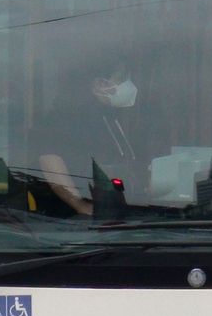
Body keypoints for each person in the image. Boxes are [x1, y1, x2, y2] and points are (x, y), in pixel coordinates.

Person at [34, 66, 141, 217]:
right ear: (99, 85)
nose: (127, 84)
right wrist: (80, 205)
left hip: (117, 215)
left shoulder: (111, 116)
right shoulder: (63, 119)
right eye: (121, 79)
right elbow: (50, 161)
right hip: (75, 224)